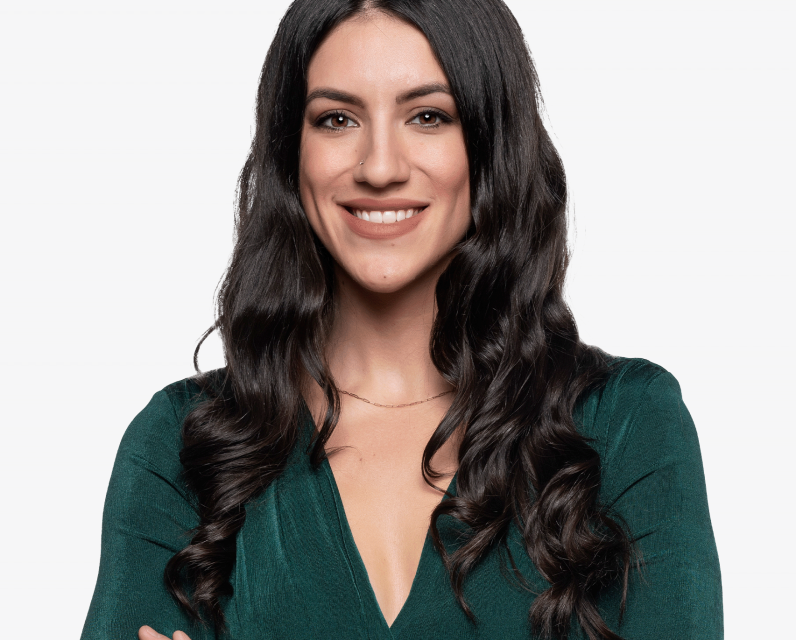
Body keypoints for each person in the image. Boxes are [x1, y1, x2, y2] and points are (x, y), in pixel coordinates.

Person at [80, 1, 723, 639]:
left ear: (490, 142)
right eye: (336, 119)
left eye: (428, 116)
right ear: (290, 150)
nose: (380, 167)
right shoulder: (183, 444)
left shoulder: (627, 427)